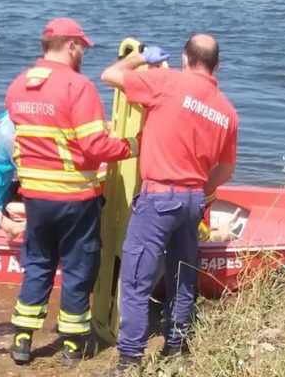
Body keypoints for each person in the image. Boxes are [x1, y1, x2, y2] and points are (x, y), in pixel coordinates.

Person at [99, 34, 239, 372]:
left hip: (159, 197)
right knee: (182, 276)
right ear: (216, 65)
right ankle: (175, 348)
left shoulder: (167, 82)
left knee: (135, 280)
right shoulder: (227, 111)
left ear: (184, 59)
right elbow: (226, 170)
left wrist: (141, 57)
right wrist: (198, 188)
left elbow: (110, 75)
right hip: (192, 201)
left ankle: (129, 360)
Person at [4, 18, 137, 366]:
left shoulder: (18, 86)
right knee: (79, 268)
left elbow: (44, 135)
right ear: (72, 46)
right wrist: (132, 145)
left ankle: (21, 338)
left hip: (34, 196)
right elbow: (94, 145)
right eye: (83, 48)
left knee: (38, 263)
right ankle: (73, 345)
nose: (84, 55)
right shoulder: (78, 87)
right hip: (75, 197)